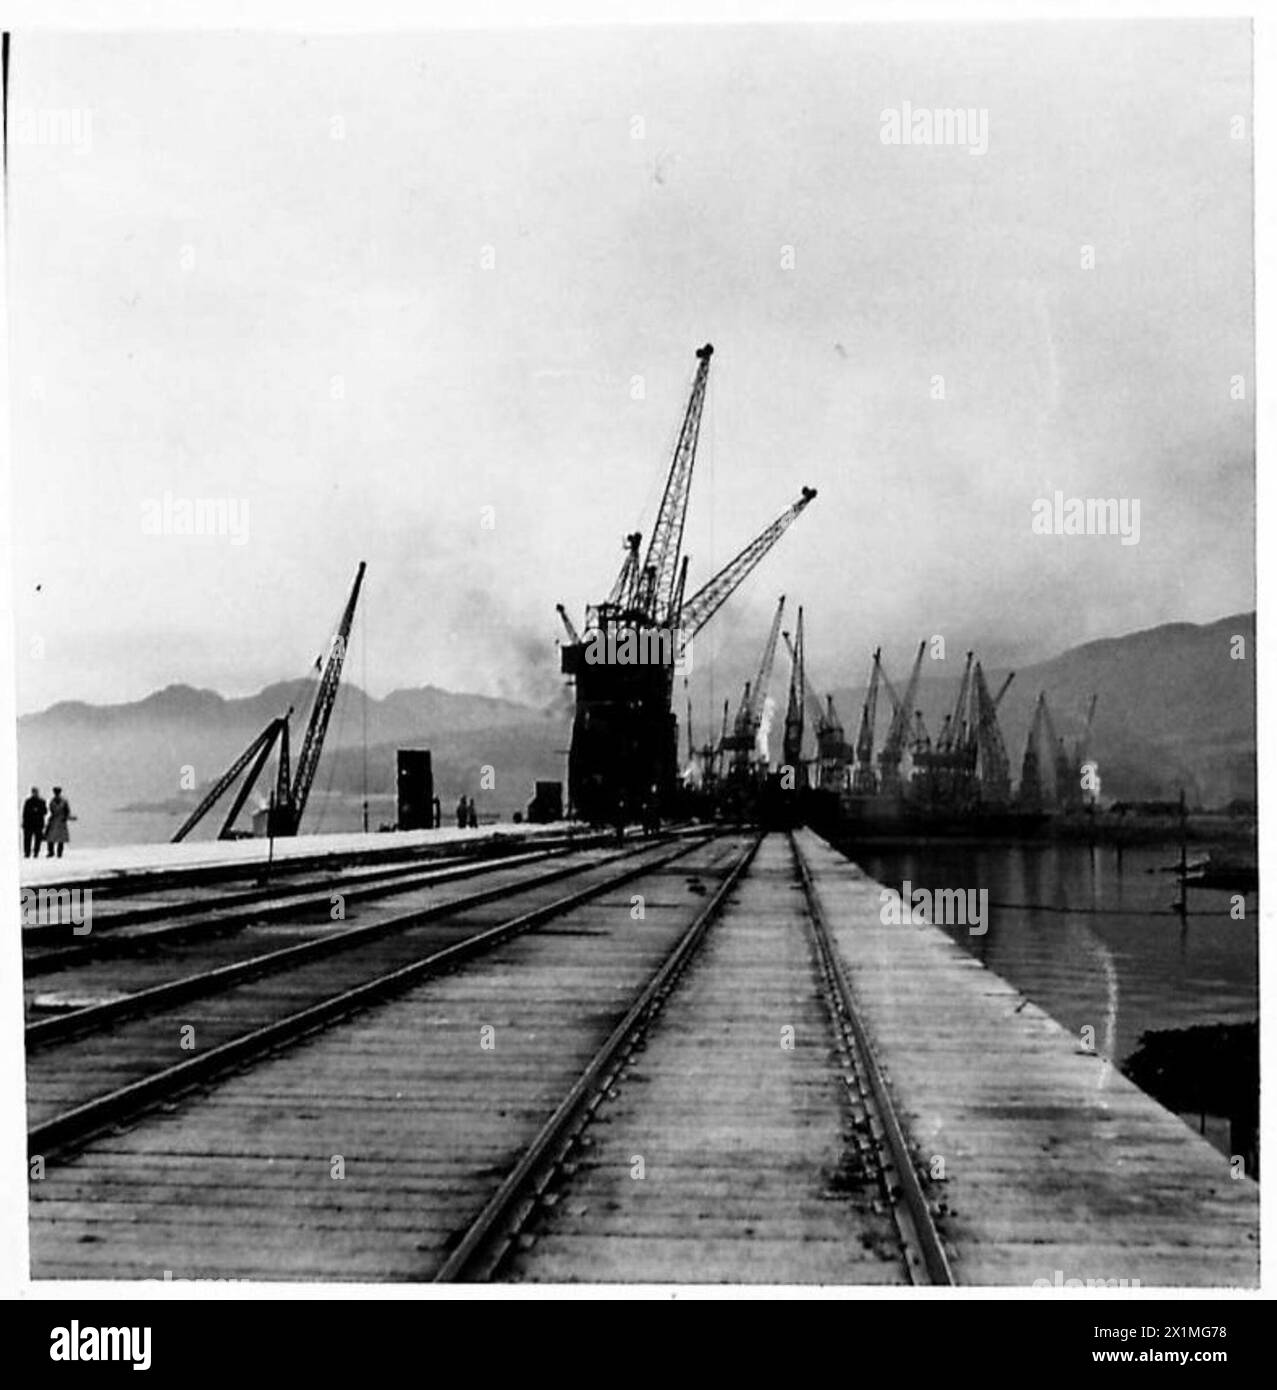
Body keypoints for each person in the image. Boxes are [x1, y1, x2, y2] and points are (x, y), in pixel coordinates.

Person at [44, 786, 74, 858]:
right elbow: (50, 810)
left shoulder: (64, 801)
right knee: (50, 837)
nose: (56, 794)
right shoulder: (52, 801)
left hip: (61, 820)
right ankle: (51, 852)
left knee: (61, 838)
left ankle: (59, 853)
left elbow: (67, 810)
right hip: (54, 819)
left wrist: (65, 817)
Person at [22, 787, 47, 858]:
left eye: (36, 792)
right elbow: (25, 813)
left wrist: (37, 810)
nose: (35, 793)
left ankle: (36, 852)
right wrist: (24, 823)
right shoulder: (28, 801)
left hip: (38, 824)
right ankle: (27, 852)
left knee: (38, 839)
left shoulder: (42, 801)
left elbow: (45, 811)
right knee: (27, 839)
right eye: (34, 792)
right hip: (29, 824)